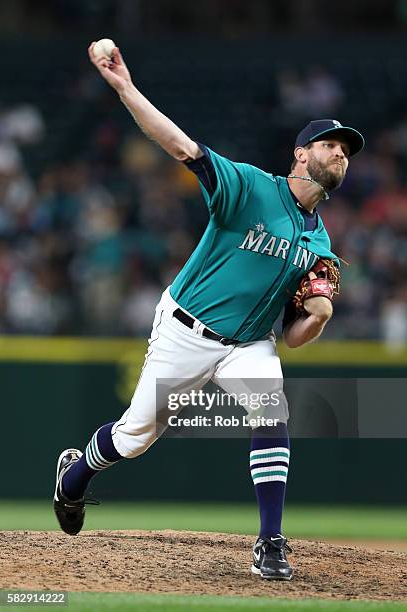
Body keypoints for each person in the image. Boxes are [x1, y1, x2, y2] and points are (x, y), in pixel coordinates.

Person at [53, 43, 365, 581]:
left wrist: (318, 317)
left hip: (249, 344)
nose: (340, 153)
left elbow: (293, 337)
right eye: (330, 144)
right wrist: (125, 87)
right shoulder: (248, 187)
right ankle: (75, 474)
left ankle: (270, 543)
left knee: (272, 413)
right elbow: (180, 145)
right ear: (299, 154)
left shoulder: (321, 241)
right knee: (135, 436)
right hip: (186, 329)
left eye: (345, 150)